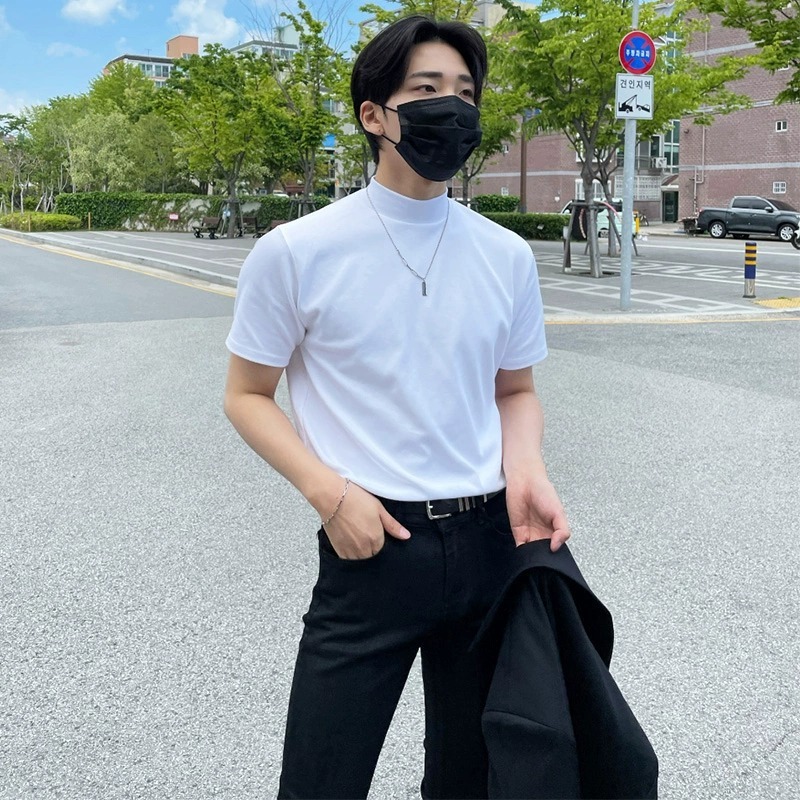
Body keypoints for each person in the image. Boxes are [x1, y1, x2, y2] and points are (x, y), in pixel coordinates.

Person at [223, 14, 570, 799]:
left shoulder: (506, 255)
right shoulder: (296, 251)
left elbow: (515, 390)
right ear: (373, 114)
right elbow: (246, 395)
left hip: (489, 544)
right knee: (321, 780)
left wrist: (528, 470)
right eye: (427, 89)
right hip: (370, 544)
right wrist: (330, 494)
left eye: (466, 93)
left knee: (472, 780)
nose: (453, 109)